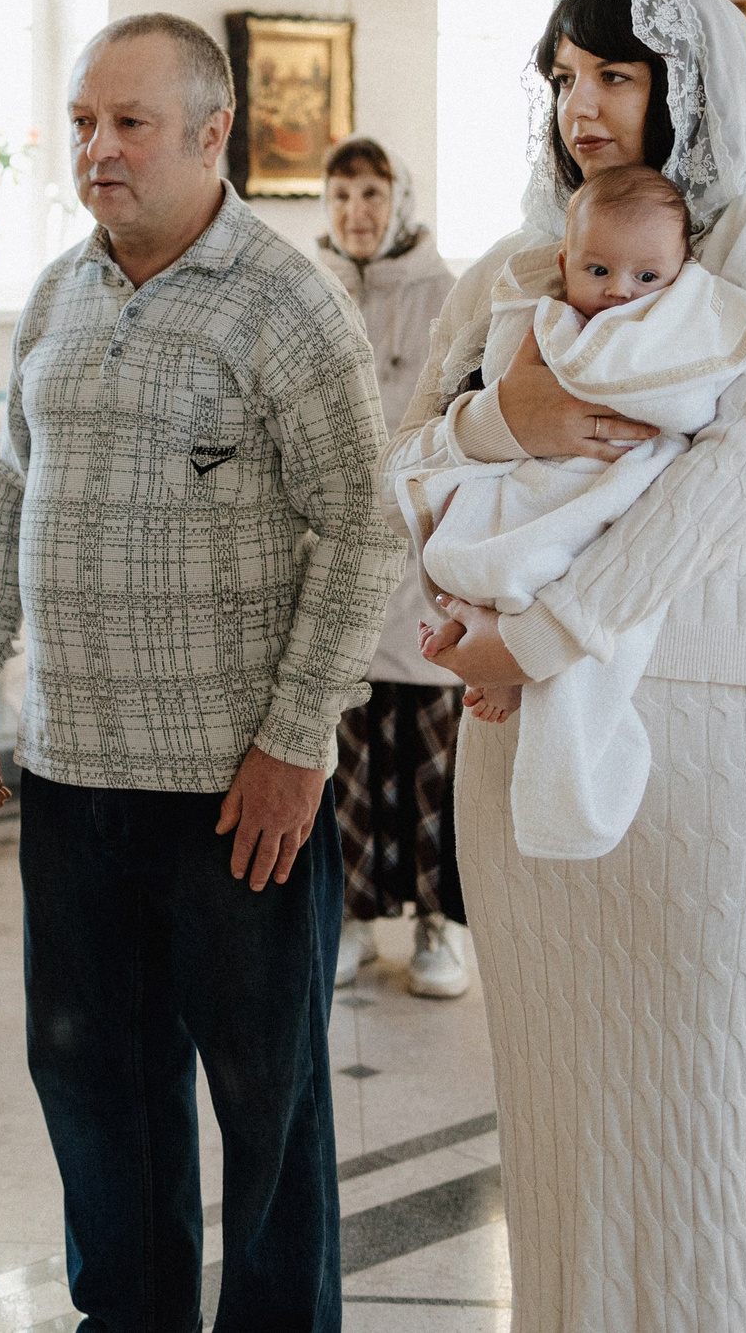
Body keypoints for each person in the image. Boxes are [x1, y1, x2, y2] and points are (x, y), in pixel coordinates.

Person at [393, 0, 746, 1330]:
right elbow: (419, 462)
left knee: (711, 1123)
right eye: (564, 79)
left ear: (689, 78)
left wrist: (539, 632)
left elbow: (732, 487)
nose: (585, 108)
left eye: (616, 74)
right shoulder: (519, 260)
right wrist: (512, 428)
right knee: (558, 1127)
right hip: (521, 740)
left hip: (727, 738)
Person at [0, 13, 403, 1331]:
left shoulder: (286, 298)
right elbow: (11, 497)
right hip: (75, 773)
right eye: (85, 120)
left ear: (214, 133)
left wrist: (295, 741)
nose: (96, 147)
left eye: (128, 123)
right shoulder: (64, 292)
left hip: (232, 792)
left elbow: (359, 531)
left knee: (267, 1104)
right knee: (93, 1082)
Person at [396, 162, 746, 859]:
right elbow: (411, 452)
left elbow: (692, 402)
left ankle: (519, 665)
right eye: (598, 270)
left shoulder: (685, 320)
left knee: (581, 580)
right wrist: (499, 419)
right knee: (486, 527)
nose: (619, 294)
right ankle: (488, 620)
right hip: (549, 476)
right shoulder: (535, 309)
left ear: (683, 270)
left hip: (626, 488)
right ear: (564, 262)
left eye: (647, 278)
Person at [311, 135, 469, 998]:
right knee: (350, 762)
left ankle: (440, 928)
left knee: (434, 760)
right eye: (340, 198)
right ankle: (360, 923)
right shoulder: (310, 293)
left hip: (425, 557)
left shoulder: (446, 295)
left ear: (400, 200)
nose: (356, 215)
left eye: (371, 195)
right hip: (340, 564)